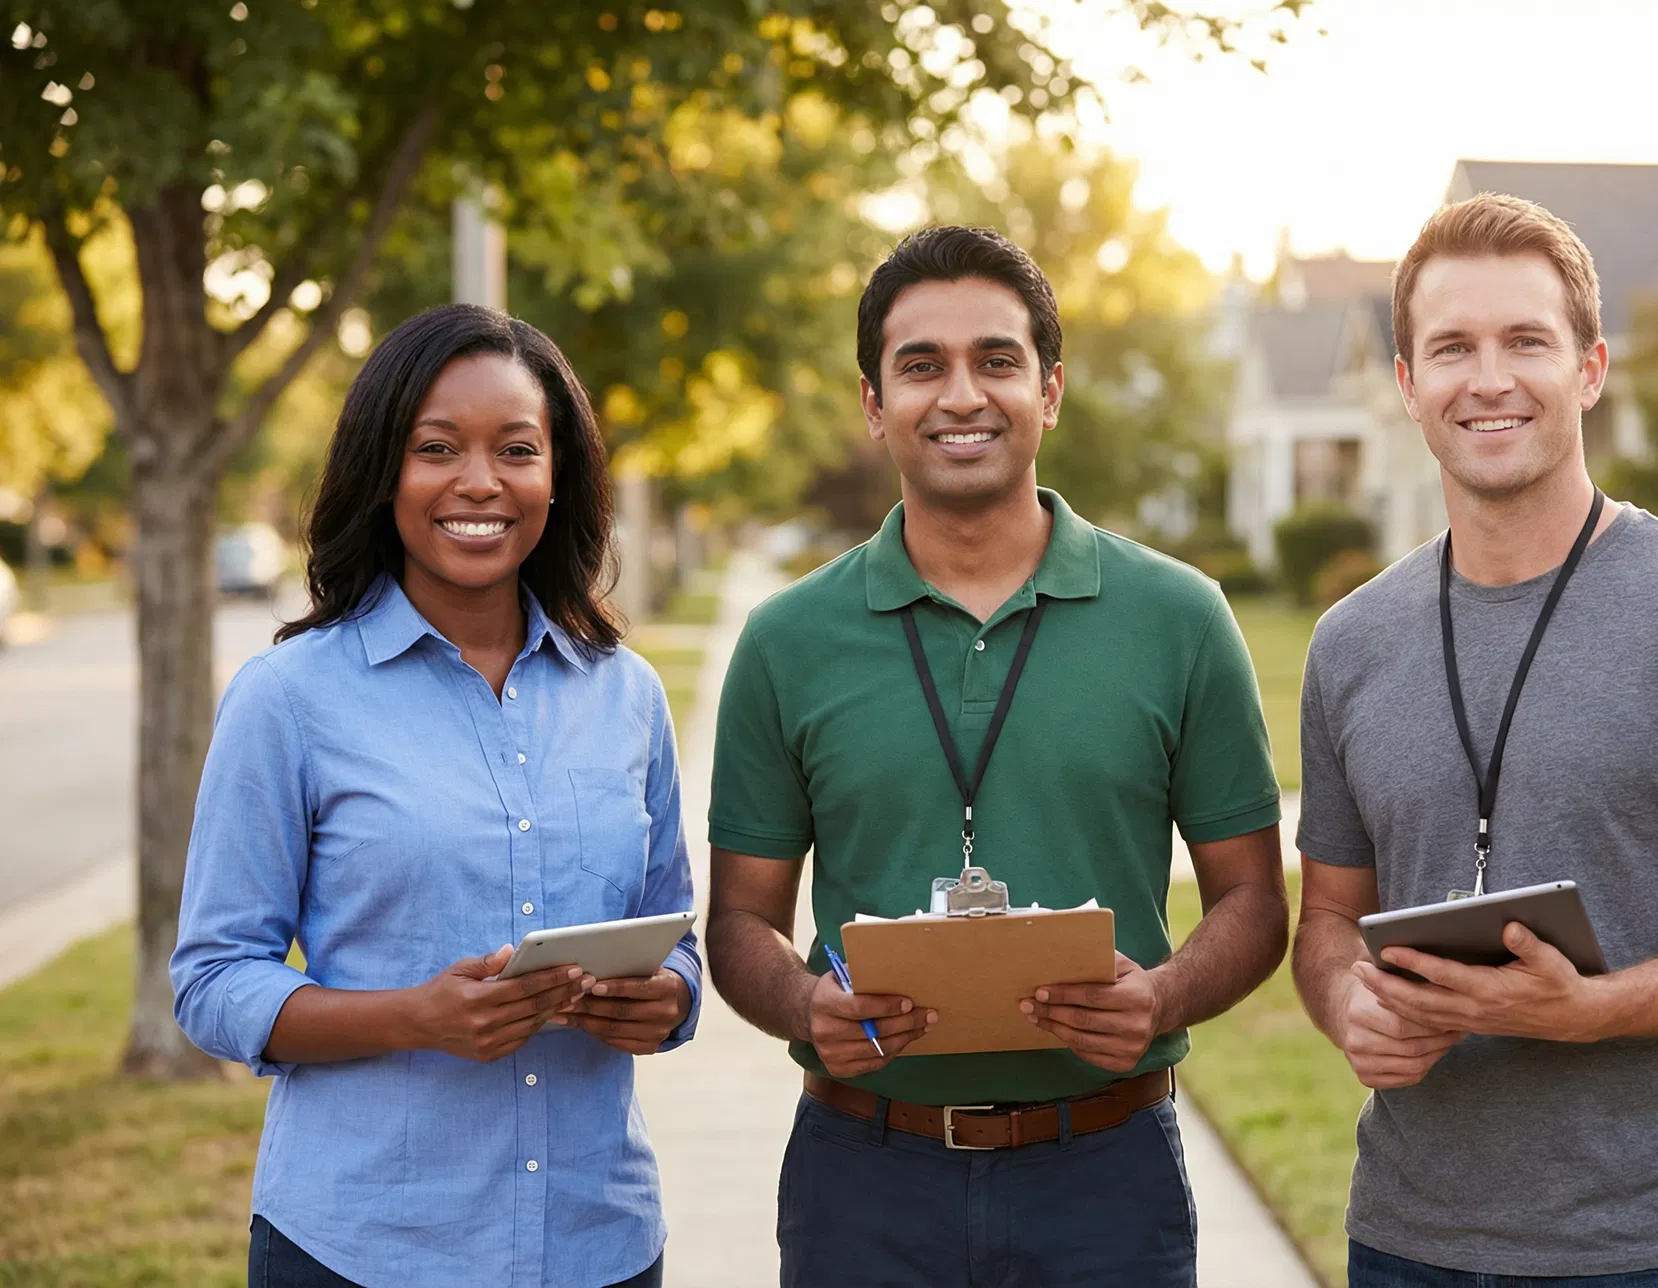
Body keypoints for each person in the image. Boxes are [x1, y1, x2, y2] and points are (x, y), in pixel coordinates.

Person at [1290, 193, 1658, 1285]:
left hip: (1655, 1249)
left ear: (1591, 368)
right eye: (1452, 347)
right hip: (1408, 1243)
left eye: (1527, 341)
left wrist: (1587, 1011)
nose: (1490, 378)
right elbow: (1326, 917)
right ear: (1409, 386)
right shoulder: (1351, 642)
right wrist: (1345, 1004)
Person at [704, 225, 1288, 1287]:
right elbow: (740, 920)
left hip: (1105, 1179)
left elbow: (1252, 901)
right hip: (862, 1179)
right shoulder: (786, 641)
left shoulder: (1180, 618)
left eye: (997, 360)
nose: (960, 394)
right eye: (921, 366)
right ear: (877, 406)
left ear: (1050, 390)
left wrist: (1161, 996)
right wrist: (804, 1007)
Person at [171, 304, 699, 1288]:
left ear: (559, 477)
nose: (479, 482)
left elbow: (677, 942)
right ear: (386, 470)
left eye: (516, 449)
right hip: (366, 1250)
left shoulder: (626, 693)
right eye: (437, 447)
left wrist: (659, 1001)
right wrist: (417, 1017)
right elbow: (212, 979)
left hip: (602, 1243)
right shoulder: (290, 699)